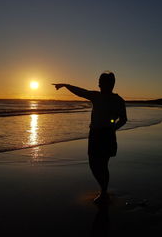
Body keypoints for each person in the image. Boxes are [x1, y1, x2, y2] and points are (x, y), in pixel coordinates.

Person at [53, 72, 127, 203]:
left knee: (102, 165)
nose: (99, 84)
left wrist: (113, 127)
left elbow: (123, 119)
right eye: (99, 81)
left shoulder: (118, 100)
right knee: (94, 164)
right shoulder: (96, 96)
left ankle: (104, 192)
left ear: (110, 83)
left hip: (107, 135)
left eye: (101, 81)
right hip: (95, 134)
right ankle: (104, 190)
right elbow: (80, 92)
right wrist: (66, 85)